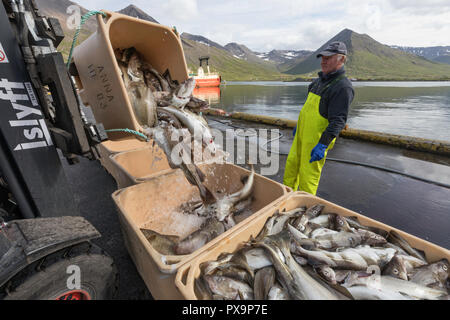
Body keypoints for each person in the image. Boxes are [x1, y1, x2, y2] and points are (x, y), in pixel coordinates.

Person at [284, 41, 354, 195]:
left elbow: (338, 120)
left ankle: (304, 211)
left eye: (328, 57)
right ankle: (285, 200)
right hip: (301, 137)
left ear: (341, 59)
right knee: (291, 169)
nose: (323, 61)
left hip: (316, 141)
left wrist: (323, 145)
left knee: (308, 180)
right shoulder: (317, 82)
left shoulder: (343, 87)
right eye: (323, 57)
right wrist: (299, 125)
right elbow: (308, 109)